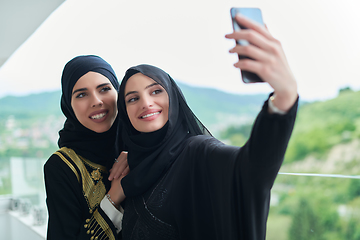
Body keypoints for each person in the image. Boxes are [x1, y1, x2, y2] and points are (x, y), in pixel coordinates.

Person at [116, 14, 298, 239]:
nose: (146, 103)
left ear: (173, 98)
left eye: (156, 91)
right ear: (125, 113)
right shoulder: (130, 167)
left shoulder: (197, 152)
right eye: (133, 99)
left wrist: (284, 97)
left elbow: (253, 169)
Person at [44, 55, 129, 240]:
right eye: (82, 94)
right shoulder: (62, 167)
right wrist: (114, 197)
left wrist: (137, 156)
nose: (96, 101)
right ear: (69, 105)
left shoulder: (140, 144)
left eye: (104, 89)